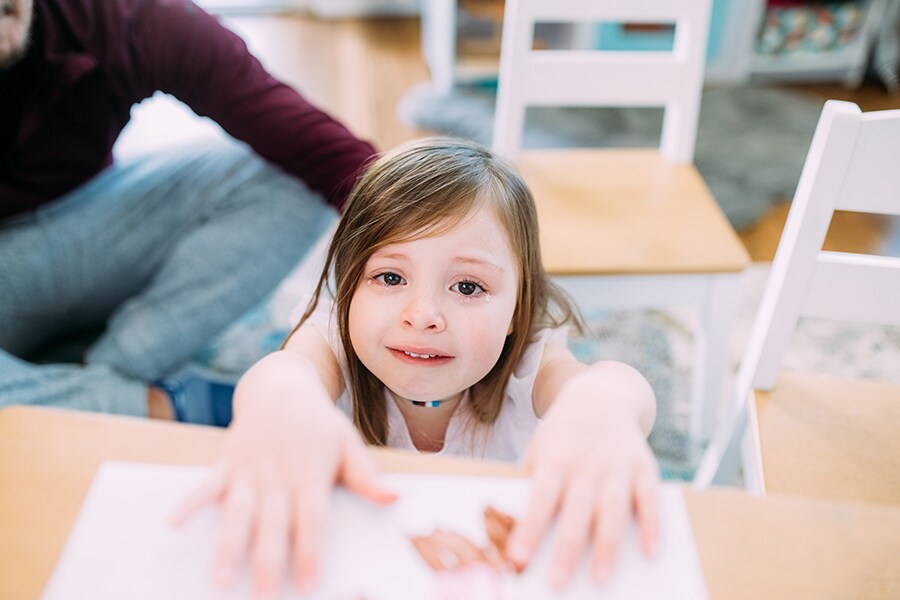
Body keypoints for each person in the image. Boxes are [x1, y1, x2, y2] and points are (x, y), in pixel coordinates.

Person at [174, 138, 660, 598]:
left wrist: (603, 409)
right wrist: (284, 402)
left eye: (468, 287)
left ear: (516, 310)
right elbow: (284, 374)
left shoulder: (531, 365)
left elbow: (612, 387)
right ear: (347, 289)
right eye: (390, 277)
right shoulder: (334, 337)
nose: (422, 313)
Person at [0, 0, 377, 421]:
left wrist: (441, 238)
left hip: (77, 222)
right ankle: (162, 406)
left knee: (285, 172)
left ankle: (102, 372)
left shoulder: (121, 17)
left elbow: (319, 148)